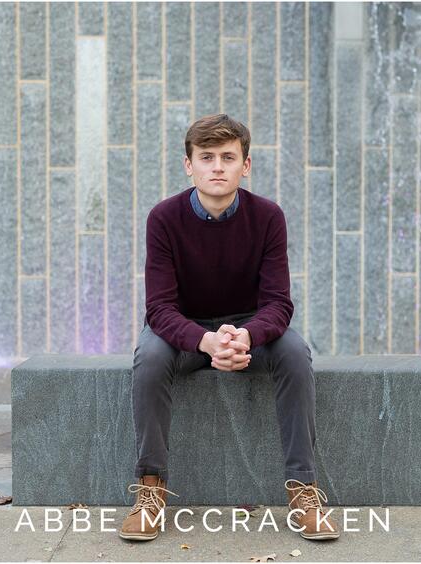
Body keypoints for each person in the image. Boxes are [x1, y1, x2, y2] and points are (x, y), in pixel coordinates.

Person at [119, 114, 339, 542]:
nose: (217, 167)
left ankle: (303, 490)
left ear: (246, 165)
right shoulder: (163, 218)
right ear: (189, 165)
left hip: (248, 331)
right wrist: (204, 340)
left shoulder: (268, 217)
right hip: (183, 331)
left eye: (227, 157)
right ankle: (150, 490)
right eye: (206, 157)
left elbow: (278, 303)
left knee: (296, 352)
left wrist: (247, 336)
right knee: (148, 358)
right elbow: (159, 309)